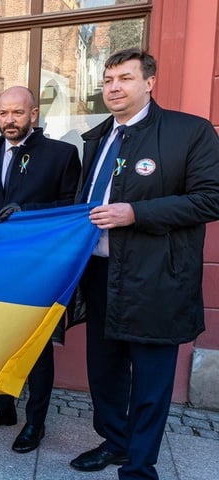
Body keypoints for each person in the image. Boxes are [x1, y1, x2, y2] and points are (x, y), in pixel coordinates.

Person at [70, 48, 219, 479]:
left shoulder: (189, 132)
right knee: (105, 368)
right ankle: (114, 442)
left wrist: (136, 213)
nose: (114, 87)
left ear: (150, 82)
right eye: (108, 80)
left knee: (151, 381)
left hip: (157, 278)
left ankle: (139, 467)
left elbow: (211, 198)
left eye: (125, 79)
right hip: (100, 275)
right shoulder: (96, 137)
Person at [0, 86, 81, 453]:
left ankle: (36, 423)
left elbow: (71, 207)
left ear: (33, 114)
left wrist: (28, 215)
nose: (9, 120)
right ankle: (3, 409)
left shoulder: (61, 155)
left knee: (36, 348)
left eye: (16, 112)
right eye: (2, 113)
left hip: (37, 268)